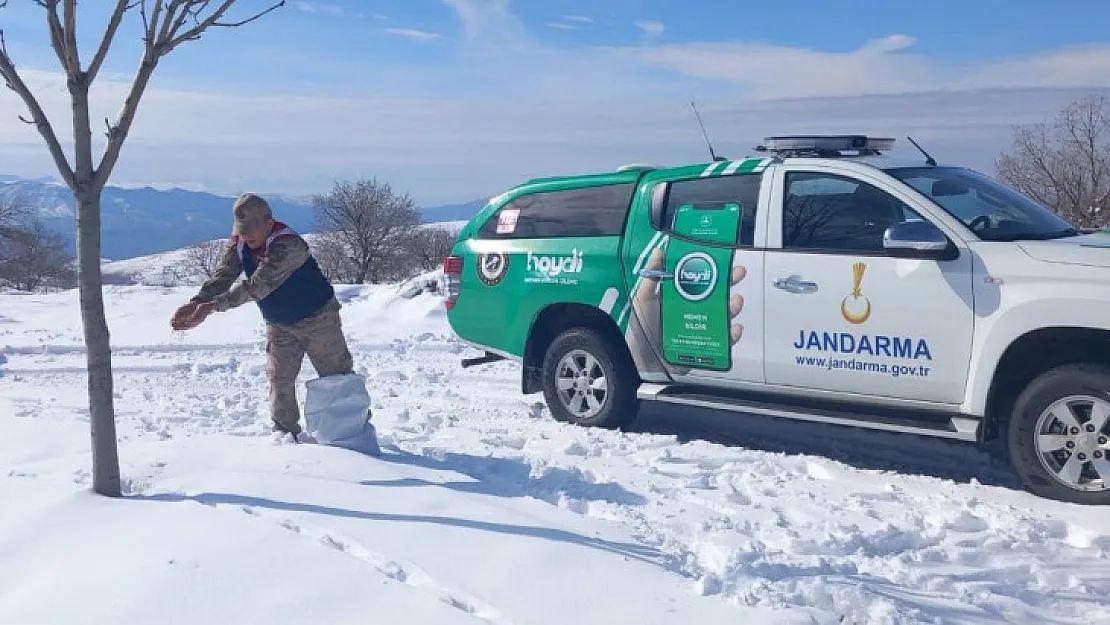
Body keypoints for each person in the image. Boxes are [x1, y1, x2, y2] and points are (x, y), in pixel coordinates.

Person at [171, 192, 362, 441]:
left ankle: (352, 434)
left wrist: (211, 308)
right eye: (242, 231)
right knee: (280, 380)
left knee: (336, 377)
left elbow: (258, 286)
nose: (247, 237)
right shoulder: (240, 242)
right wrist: (198, 301)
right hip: (279, 323)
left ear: (269, 223)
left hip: (319, 319)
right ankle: (285, 436)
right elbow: (225, 274)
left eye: (252, 231)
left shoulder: (287, 244)